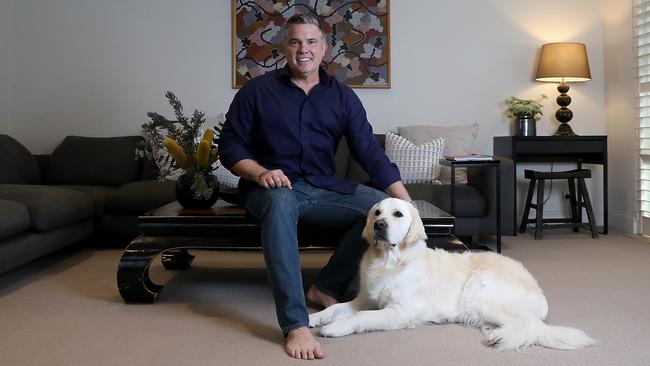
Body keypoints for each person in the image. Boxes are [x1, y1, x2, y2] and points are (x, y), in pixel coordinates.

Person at [219, 14, 411, 360]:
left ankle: (326, 287)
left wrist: (406, 204)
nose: (303, 49)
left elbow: (368, 150)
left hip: (323, 187)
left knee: (377, 208)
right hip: (270, 187)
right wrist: (259, 173)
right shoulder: (257, 91)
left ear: (324, 49)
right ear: (285, 48)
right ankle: (295, 324)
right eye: (295, 42)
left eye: (311, 42)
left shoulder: (342, 97)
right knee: (279, 202)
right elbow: (230, 146)